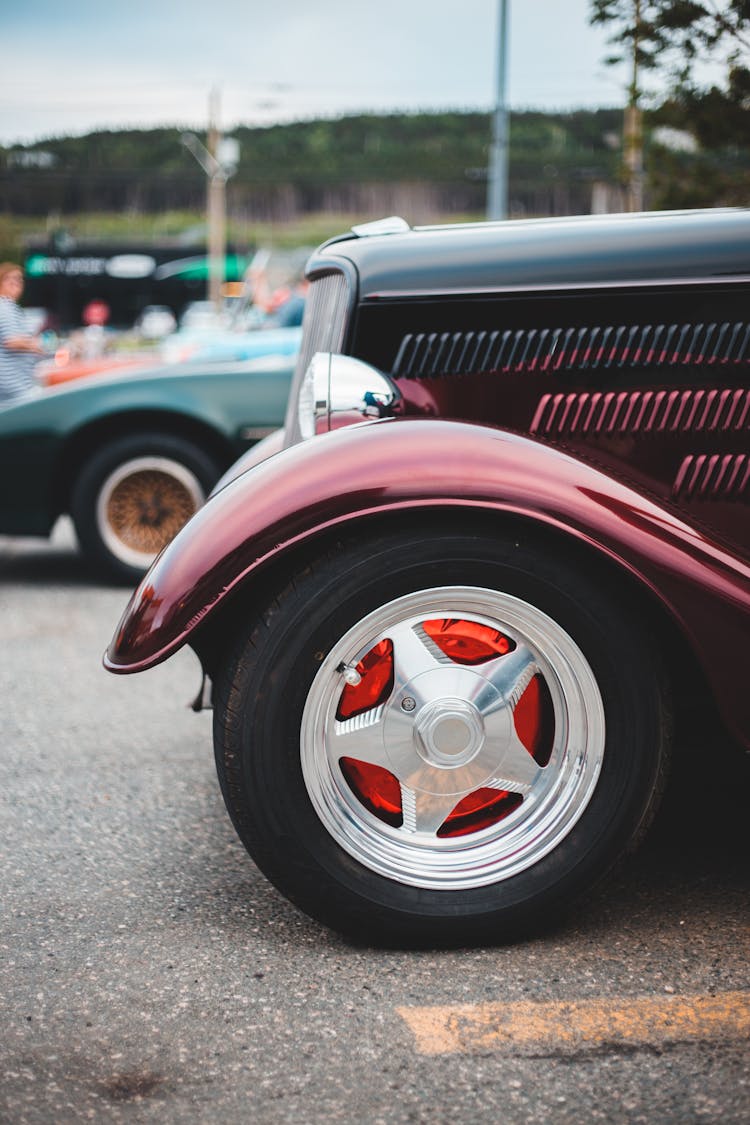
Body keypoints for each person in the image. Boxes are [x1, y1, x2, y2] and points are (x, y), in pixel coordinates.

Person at [0, 262, 46, 405]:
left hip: (14, 387)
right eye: (10, 278)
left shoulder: (8, 307)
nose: (16, 282)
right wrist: (35, 346)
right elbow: (12, 341)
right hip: (15, 389)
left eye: (19, 279)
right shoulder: (5, 307)